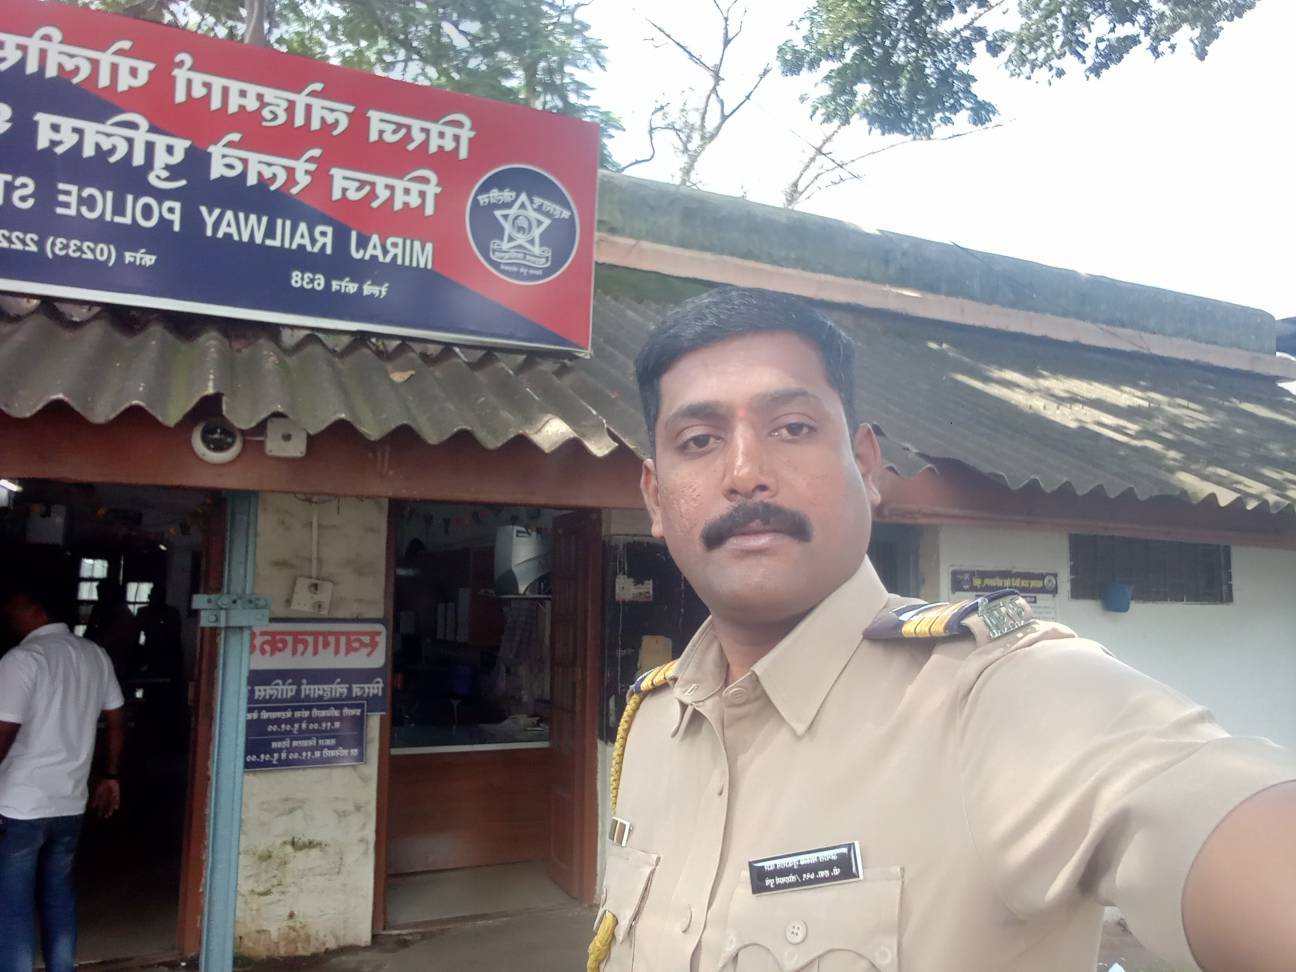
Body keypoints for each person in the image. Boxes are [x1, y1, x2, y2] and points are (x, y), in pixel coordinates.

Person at [589, 287, 1296, 972]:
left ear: (866, 465)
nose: (745, 473)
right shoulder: (648, 726)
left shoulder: (1002, 700)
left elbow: (1197, 804)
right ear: (655, 497)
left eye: (793, 428)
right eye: (700, 440)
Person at [0, 579, 125, 972]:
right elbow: (117, 719)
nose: (8, 614)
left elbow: (4, 729)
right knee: (58, 892)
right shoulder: (94, 654)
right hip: (70, 801)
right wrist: (110, 775)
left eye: (14, 607)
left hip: (21, 803)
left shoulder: (22, 659)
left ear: (37, 609)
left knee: (13, 902)